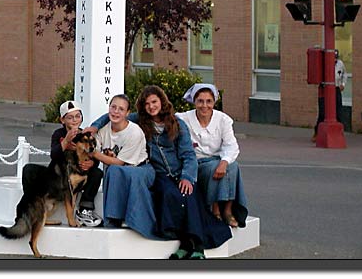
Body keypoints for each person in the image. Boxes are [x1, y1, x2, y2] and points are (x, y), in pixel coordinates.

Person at [90, 85, 232, 259]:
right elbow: (113, 115)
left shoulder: (177, 123)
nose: (151, 106)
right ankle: (184, 242)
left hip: (180, 172)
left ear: (162, 102)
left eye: (154, 102)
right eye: (147, 103)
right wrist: (95, 127)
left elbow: (188, 154)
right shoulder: (140, 121)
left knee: (188, 195)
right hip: (159, 174)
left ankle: (195, 247)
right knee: (170, 194)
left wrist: (187, 177)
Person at [177, 83, 248, 228]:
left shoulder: (223, 120)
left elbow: (231, 145)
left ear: (214, 102)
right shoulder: (183, 119)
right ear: (194, 101)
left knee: (232, 165)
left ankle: (227, 210)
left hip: (218, 159)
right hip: (198, 163)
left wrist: (224, 162)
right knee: (214, 167)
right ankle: (215, 208)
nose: (204, 106)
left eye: (208, 101)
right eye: (200, 101)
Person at [90, 94, 156, 237]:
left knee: (114, 170)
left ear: (127, 113)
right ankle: (112, 220)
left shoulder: (134, 132)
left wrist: (94, 154)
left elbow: (120, 162)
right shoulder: (103, 130)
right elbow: (92, 146)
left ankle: (121, 220)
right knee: (113, 171)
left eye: (121, 109)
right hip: (118, 171)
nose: (116, 112)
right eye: (113, 107)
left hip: (141, 168)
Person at [49, 100, 103, 227]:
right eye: (70, 117)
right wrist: (66, 141)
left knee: (97, 173)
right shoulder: (58, 134)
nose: (74, 120)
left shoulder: (85, 134)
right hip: (62, 175)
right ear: (62, 120)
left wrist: (91, 163)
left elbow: (92, 152)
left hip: (80, 175)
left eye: (78, 116)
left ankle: (85, 207)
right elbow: (54, 155)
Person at [312, 50, 348, 142]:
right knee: (322, 112)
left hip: (336, 88)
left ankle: (339, 132)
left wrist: (343, 84)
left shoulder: (340, 64)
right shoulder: (324, 64)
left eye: (336, 58)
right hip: (325, 88)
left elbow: (344, 74)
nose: (335, 61)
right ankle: (317, 132)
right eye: (333, 59)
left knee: (339, 110)